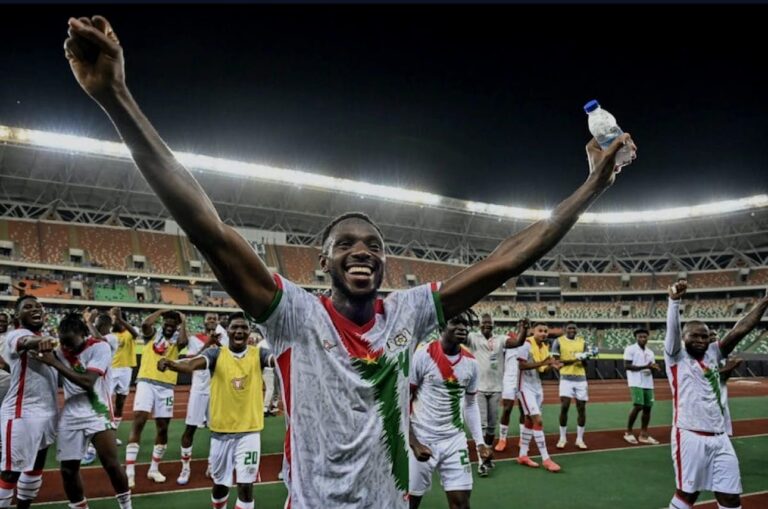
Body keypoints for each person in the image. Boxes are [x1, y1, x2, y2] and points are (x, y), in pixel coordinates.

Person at [64, 14, 634, 507]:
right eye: (346, 244)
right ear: (323, 261)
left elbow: (506, 260)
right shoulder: (293, 315)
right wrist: (117, 98)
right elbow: (208, 230)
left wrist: (592, 186)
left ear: (384, 263)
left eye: (374, 245)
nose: (362, 250)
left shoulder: (407, 313)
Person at [665, 281, 768, 509]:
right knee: (687, 494)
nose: (701, 340)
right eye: (695, 336)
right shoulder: (675, 357)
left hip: (720, 438)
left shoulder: (713, 352)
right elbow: (672, 331)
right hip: (690, 435)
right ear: (683, 338)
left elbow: (740, 330)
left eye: (704, 336)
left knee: (730, 496)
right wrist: (674, 302)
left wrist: (765, 301)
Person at [158, 312, 275, 509]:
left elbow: (276, 360)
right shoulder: (216, 354)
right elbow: (192, 364)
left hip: (250, 433)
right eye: (235, 327)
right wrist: (171, 364)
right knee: (220, 485)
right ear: (227, 331)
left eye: (244, 327)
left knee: (246, 486)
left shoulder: (259, 354)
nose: (239, 331)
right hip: (221, 433)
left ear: (249, 332)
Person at [36, 313, 132, 509]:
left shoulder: (100, 347)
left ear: (83, 334)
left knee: (111, 464)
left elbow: (88, 381)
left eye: (70, 342)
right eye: (63, 342)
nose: (66, 347)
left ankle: (126, 506)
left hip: (98, 412)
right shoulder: (59, 350)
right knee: (68, 470)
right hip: (70, 415)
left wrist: (54, 362)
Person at [408, 311, 490, 508]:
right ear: (441, 327)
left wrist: (480, 442)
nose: (462, 327)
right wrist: (413, 442)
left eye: (465, 324)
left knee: (462, 504)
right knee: (409, 503)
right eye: (455, 322)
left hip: (454, 440)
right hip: (422, 437)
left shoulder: (471, 363)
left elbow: (470, 404)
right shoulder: (422, 355)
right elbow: (402, 401)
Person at [0, 296, 58, 508]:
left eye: (38, 306)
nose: (35, 309)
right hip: (21, 414)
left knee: (34, 470)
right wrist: (46, 342)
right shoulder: (16, 334)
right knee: (10, 472)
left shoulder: (45, 337)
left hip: (47, 413)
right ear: (17, 315)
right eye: (28, 307)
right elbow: (25, 342)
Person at [125, 309, 188, 487]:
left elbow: (184, 341)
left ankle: (153, 469)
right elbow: (145, 324)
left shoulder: (177, 341)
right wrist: (161, 312)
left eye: (173, 323)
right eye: (167, 322)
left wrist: (183, 321)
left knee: (163, 428)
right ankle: (129, 471)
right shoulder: (152, 335)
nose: (169, 325)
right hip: (146, 382)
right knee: (139, 420)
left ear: (176, 326)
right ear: (162, 322)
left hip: (166, 387)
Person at [177, 312, 221, 485]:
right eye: (209, 318)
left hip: (217, 391)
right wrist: (208, 344)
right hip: (199, 390)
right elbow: (191, 362)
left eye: (214, 319)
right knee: (190, 429)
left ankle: (212, 464)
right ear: (204, 321)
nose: (212, 321)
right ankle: (185, 467)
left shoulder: (224, 339)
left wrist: (218, 344)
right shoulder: (195, 339)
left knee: (217, 431)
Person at [516, 323, 562, 472]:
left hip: (537, 386)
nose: (543, 333)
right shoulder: (526, 344)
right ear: (533, 331)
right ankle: (546, 459)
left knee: (529, 421)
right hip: (525, 387)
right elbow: (521, 366)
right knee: (538, 420)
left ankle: (522, 455)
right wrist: (544, 362)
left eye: (545, 331)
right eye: (540, 331)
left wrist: (551, 366)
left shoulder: (544, 347)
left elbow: (542, 370)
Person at [464, 314, 505, 475]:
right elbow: (459, 337)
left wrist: (523, 330)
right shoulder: (473, 337)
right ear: (479, 325)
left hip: (496, 387)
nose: (487, 325)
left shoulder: (500, 339)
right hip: (478, 387)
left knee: (492, 426)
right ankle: (481, 463)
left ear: (493, 324)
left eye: (489, 323)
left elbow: (517, 342)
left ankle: (487, 456)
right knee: (482, 424)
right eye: (484, 323)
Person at [552, 322, 591, 449]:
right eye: (569, 328)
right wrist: (576, 358)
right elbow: (557, 362)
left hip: (581, 378)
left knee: (581, 408)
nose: (572, 330)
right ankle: (562, 438)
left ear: (577, 330)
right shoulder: (558, 341)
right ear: (565, 329)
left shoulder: (582, 342)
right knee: (564, 407)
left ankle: (580, 439)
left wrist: (585, 358)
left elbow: (585, 364)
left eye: (574, 328)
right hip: (566, 379)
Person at [494, 319, 529, 453]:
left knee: (523, 410)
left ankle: (522, 438)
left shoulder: (529, 342)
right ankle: (502, 439)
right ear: (517, 327)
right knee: (507, 409)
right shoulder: (508, 340)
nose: (522, 328)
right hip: (509, 379)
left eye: (524, 326)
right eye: (520, 326)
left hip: (523, 380)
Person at [106, 307, 140, 442]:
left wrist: (120, 319)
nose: (113, 321)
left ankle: (113, 433)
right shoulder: (110, 333)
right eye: (112, 319)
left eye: (115, 319)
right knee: (104, 403)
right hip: (111, 370)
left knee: (120, 403)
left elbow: (135, 334)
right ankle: (99, 434)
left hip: (126, 370)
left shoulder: (131, 331)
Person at [623, 328, 660, 445]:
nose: (643, 339)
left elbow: (651, 367)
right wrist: (646, 366)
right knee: (638, 406)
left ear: (648, 338)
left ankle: (644, 434)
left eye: (645, 337)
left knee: (648, 408)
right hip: (636, 382)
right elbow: (627, 366)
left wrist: (654, 368)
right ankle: (628, 432)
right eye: (640, 337)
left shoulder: (650, 352)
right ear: (636, 338)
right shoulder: (630, 349)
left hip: (648, 382)